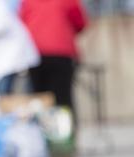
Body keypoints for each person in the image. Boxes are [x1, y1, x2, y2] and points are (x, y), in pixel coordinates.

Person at [20, 0, 88, 135]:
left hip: (35, 53)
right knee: (63, 98)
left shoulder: (28, 2)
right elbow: (80, 23)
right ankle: (66, 138)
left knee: (40, 99)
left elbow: (21, 22)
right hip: (60, 52)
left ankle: (44, 138)